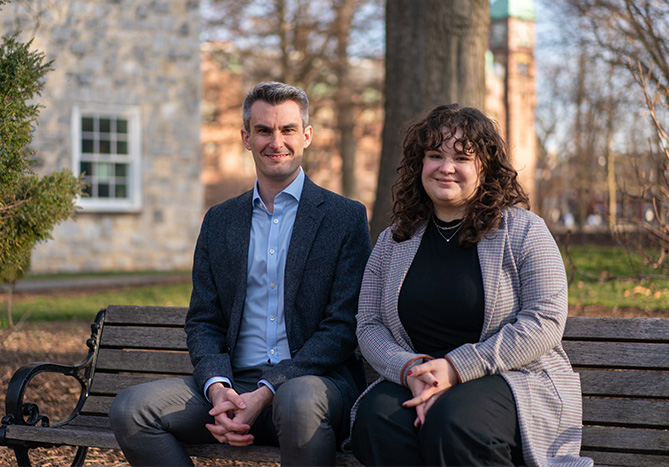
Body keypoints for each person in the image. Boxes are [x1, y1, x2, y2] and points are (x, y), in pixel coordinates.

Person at [109, 81, 372, 466]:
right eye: (264, 130)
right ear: (246, 137)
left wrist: (267, 390)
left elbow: (342, 326)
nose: (276, 141)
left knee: (297, 402)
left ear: (307, 136)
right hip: (232, 385)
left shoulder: (344, 218)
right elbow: (203, 320)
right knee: (132, 409)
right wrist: (218, 389)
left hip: (313, 386)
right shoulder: (219, 221)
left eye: (288, 130)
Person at [350, 104, 593, 467]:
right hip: (416, 377)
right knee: (375, 419)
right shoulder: (393, 241)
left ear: (485, 168)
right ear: (419, 165)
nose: (445, 167)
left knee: (454, 420)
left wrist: (454, 368)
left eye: (462, 157)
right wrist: (411, 370)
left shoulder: (525, 231)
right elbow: (369, 324)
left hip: (510, 378)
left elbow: (545, 322)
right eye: (434, 155)